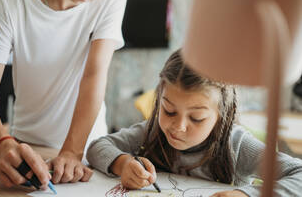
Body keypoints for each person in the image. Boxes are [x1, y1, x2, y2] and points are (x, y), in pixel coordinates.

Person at [0, 0, 139, 189]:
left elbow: (93, 77)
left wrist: (72, 151)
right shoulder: (9, 6)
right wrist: (2, 145)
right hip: (28, 147)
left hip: (86, 151)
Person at [86, 49, 302, 197]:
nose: (178, 126)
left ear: (221, 115)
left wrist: (246, 194)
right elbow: (97, 147)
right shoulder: (151, 133)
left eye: (196, 118)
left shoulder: (238, 147)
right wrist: (123, 164)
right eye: (169, 111)